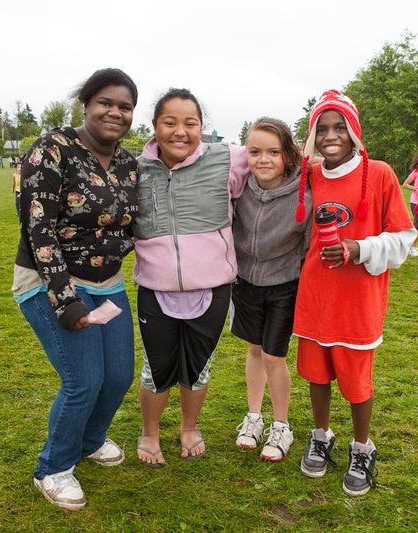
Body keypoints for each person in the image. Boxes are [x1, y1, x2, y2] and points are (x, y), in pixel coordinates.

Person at [12, 68, 139, 511]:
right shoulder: (52, 150)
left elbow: (133, 224)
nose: (115, 113)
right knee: (84, 380)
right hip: (51, 280)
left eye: (125, 107)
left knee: (119, 376)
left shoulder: (127, 162)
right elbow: (37, 228)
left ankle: (89, 440)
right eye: (106, 102)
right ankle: (53, 468)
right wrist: (65, 300)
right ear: (85, 104)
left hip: (107, 282)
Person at [292, 91, 416, 496]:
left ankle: (362, 447)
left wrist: (358, 248)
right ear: (312, 135)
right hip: (315, 295)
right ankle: (321, 434)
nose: (331, 135)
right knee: (316, 374)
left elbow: (404, 237)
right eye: (322, 128)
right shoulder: (307, 174)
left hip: (358, 300)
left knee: (357, 382)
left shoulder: (378, 173)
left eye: (339, 127)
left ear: (354, 131)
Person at [132, 88, 248, 466]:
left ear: (202, 127)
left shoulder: (227, 160)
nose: (180, 132)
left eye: (190, 123)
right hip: (155, 289)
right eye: (170, 122)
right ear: (154, 127)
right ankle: (149, 433)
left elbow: (279, 155)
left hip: (212, 289)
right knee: (156, 367)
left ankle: (189, 427)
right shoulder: (135, 170)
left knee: (198, 367)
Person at [231, 117, 311, 462]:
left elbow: (309, 249)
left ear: (288, 155)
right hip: (246, 283)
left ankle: (282, 424)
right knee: (253, 351)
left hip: (283, 287)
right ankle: (253, 417)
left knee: (274, 357)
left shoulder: (303, 195)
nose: (263, 159)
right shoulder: (238, 188)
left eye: (273, 152)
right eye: (255, 151)